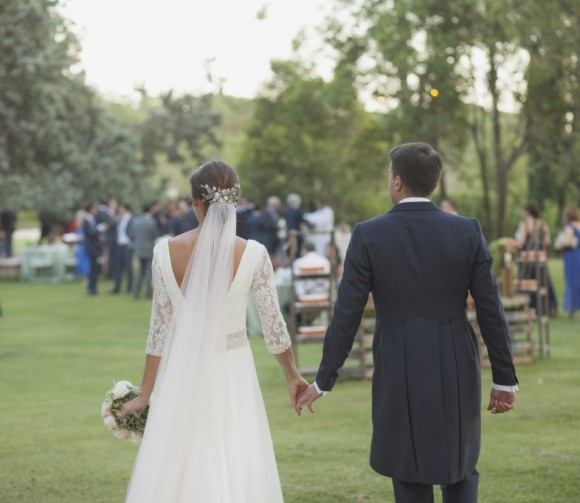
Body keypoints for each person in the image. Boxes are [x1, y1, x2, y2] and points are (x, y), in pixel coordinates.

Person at [297, 143, 518, 503]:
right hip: (457, 360)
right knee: (459, 466)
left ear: (397, 182)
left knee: (407, 469)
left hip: (397, 362)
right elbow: (491, 308)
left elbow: (347, 313)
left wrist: (324, 380)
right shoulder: (467, 231)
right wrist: (504, 379)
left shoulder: (368, 234)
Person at [120, 161, 307, 502]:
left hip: (183, 370)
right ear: (234, 203)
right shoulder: (253, 254)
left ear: (195, 203)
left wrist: (146, 393)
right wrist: (292, 376)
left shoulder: (165, 253)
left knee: (183, 459)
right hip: (233, 370)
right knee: (235, 459)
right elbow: (274, 326)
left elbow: (158, 332)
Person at [515, 203, 558, 315]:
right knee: (544, 281)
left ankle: (532, 308)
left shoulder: (524, 223)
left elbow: (521, 242)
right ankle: (549, 307)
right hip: (540, 257)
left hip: (527, 258)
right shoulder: (542, 223)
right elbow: (547, 241)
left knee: (528, 283)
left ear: (527, 211)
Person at [131, 203, 159, 299]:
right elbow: (155, 236)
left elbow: (132, 234)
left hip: (138, 249)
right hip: (148, 249)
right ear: (150, 211)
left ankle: (135, 292)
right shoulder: (152, 222)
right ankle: (148, 293)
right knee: (149, 273)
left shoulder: (136, 221)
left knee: (139, 272)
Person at [560, 206, 580, 318]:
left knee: (571, 281)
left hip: (572, 256)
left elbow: (567, 242)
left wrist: (560, 244)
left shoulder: (570, 227)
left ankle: (571, 310)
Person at [82, 203, 106, 296]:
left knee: (95, 269)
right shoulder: (86, 221)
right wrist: (100, 228)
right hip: (91, 248)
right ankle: (91, 289)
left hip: (95, 247)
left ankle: (93, 288)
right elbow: (91, 234)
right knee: (93, 269)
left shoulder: (92, 219)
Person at [111, 203, 134, 294]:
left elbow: (132, 232)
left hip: (127, 245)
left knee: (128, 267)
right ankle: (117, 287)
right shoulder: (120, 219)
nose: (120, 210)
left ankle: (129, 288)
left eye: (121, 209)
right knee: (118, 267)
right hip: (119, 245)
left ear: (126, 209)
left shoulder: (131, 219)